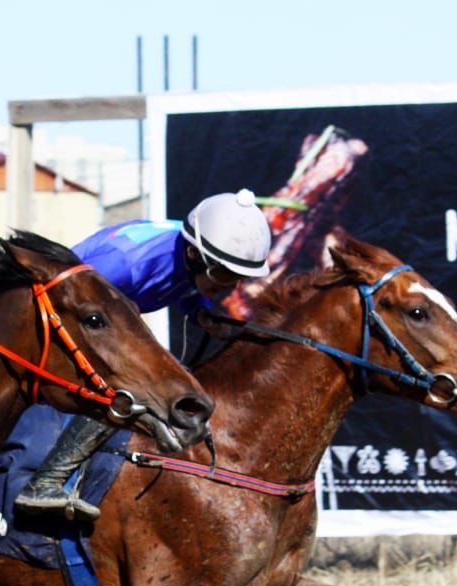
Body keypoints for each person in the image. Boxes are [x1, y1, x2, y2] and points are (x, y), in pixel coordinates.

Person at [14, 188, 273, 522]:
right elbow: (64, 305)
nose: (232, 286)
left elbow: (183, 285)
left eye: (239, 277)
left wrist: (201, 312)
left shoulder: (194, 246)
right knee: (134, 391)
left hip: (102, 323)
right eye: (225, 275)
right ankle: (45, 482)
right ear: (196, 255)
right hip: (57, 328)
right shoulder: (125, 265)